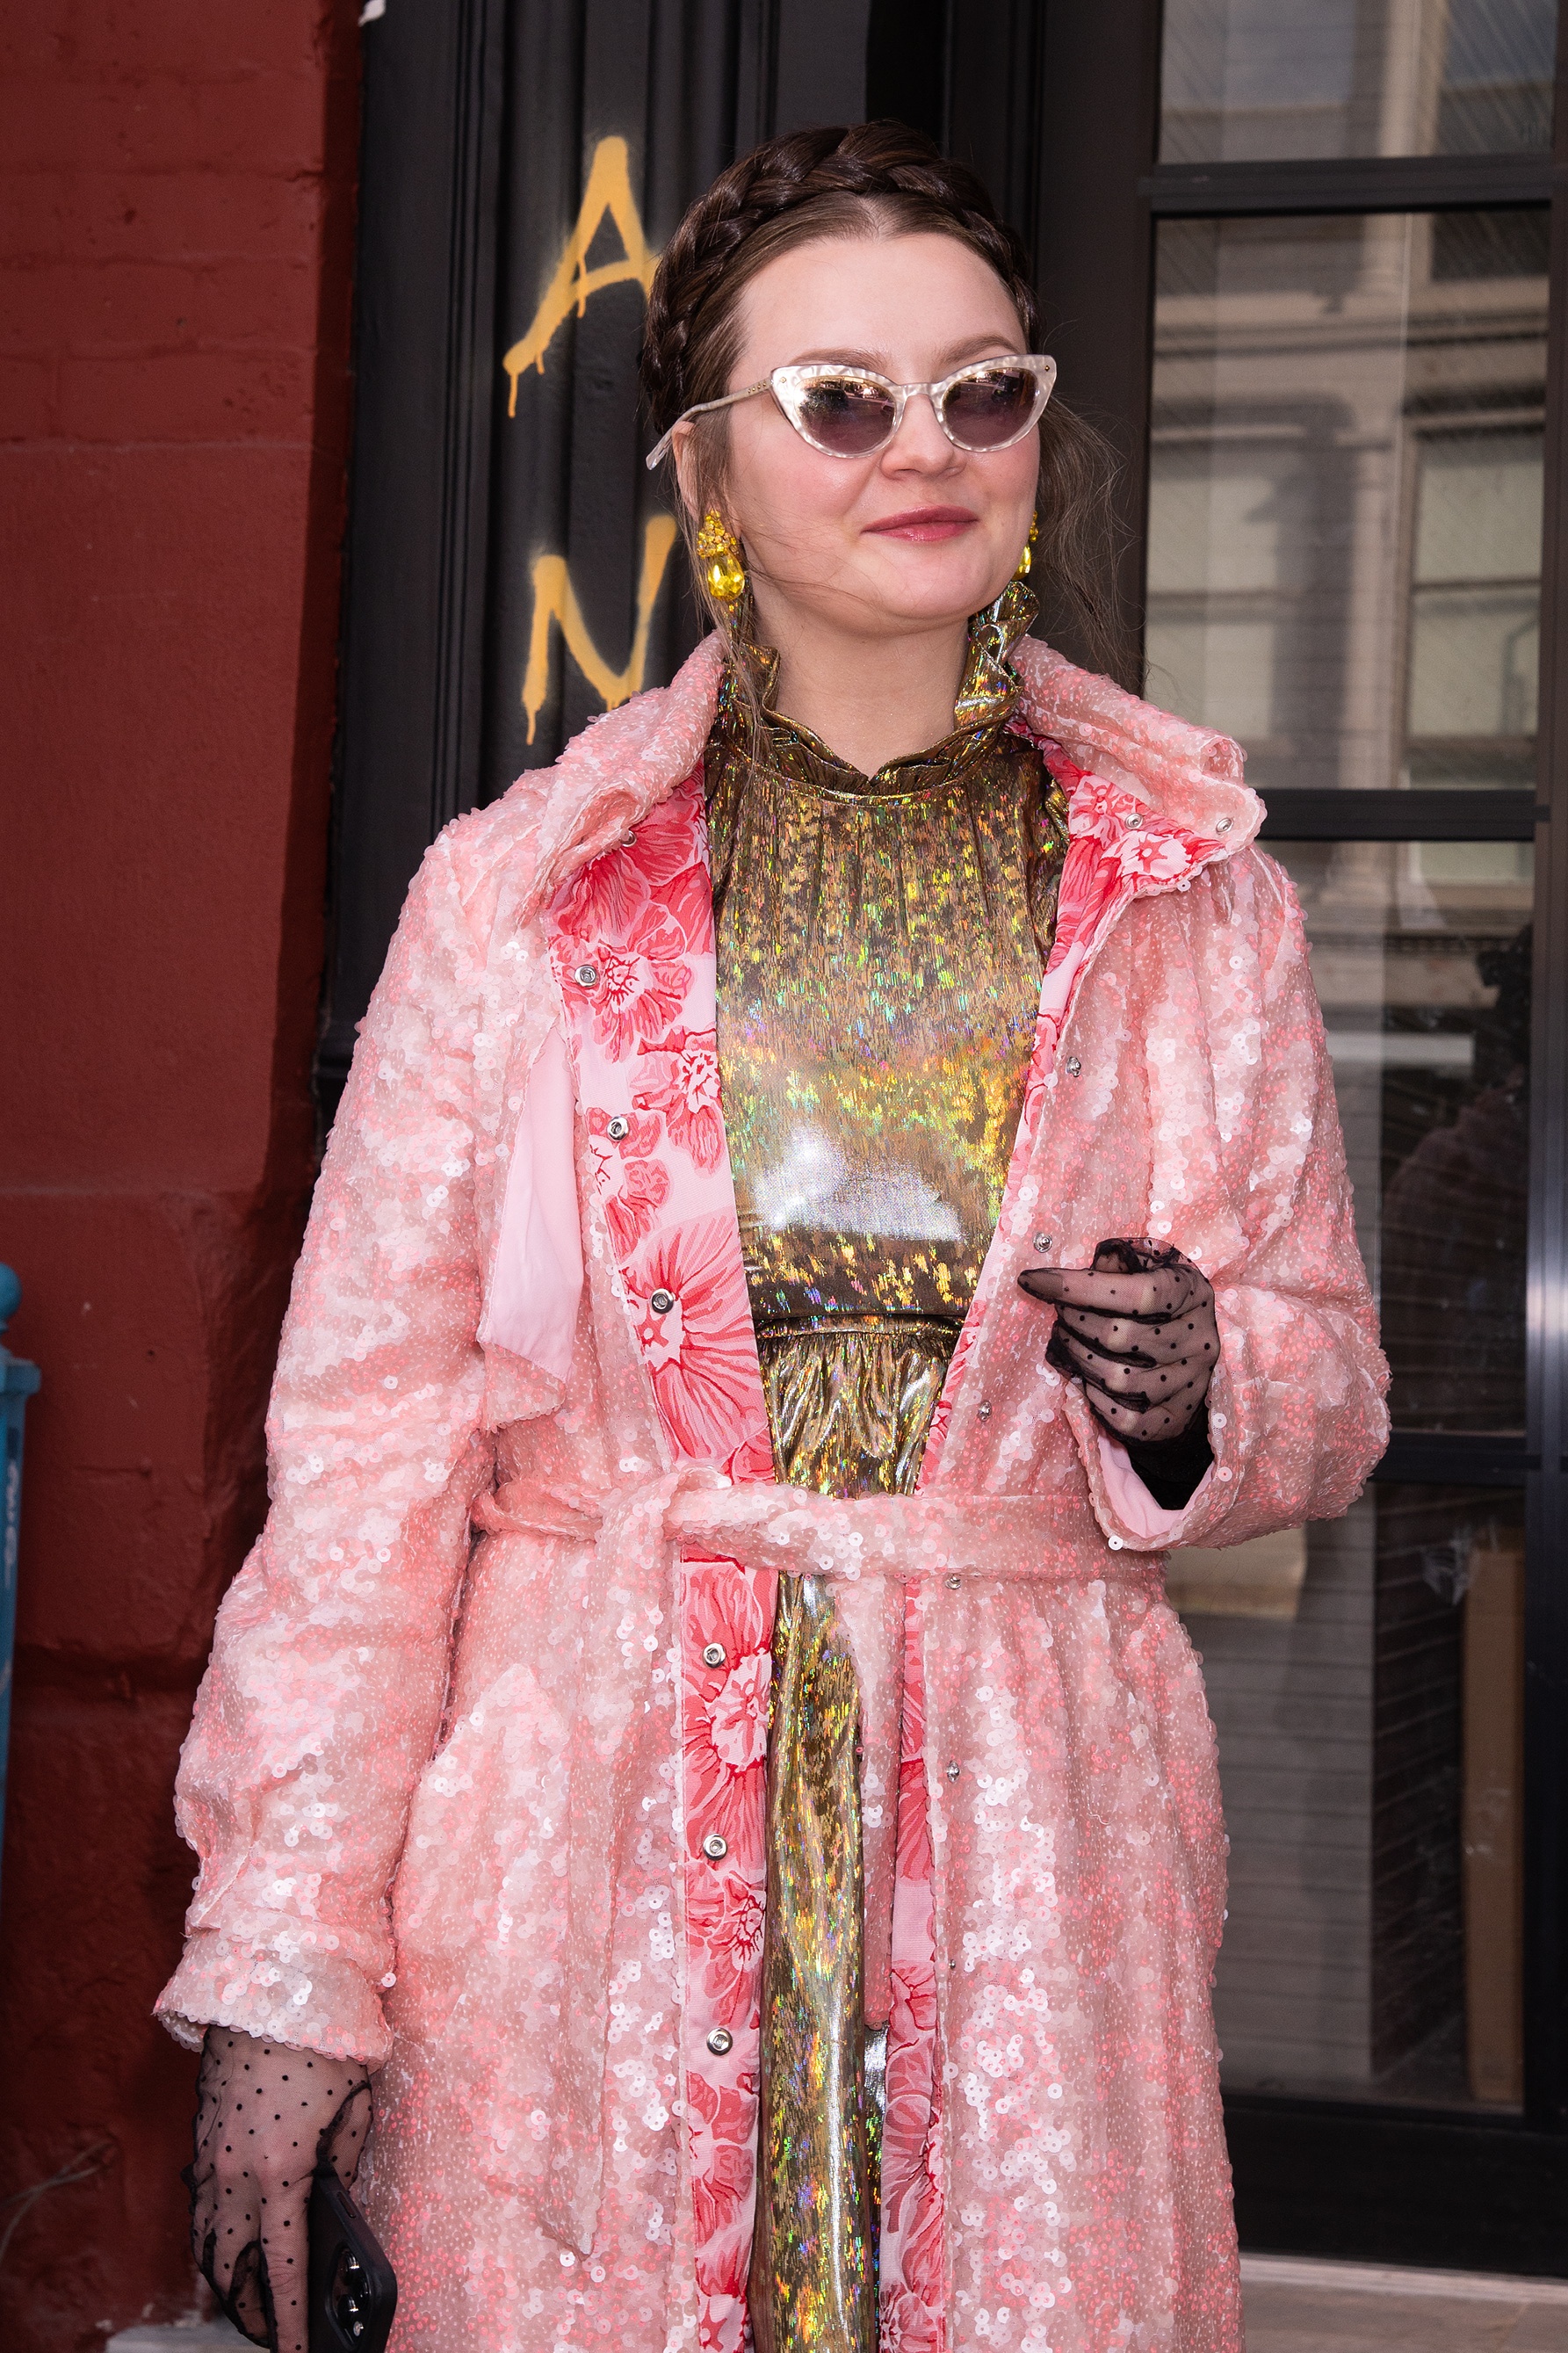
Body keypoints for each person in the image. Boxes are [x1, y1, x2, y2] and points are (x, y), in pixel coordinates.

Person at [159, 123, 1388, 2353]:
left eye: (979, 389)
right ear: (705, 476)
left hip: (1028, 1841)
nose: (926, 449)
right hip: (591, 1831)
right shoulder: (528, 892)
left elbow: (1322, 1380)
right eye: (842, 401)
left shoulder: (1190, 896)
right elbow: (361, 1461)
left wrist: (1213, 1381)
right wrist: (284, 1976)